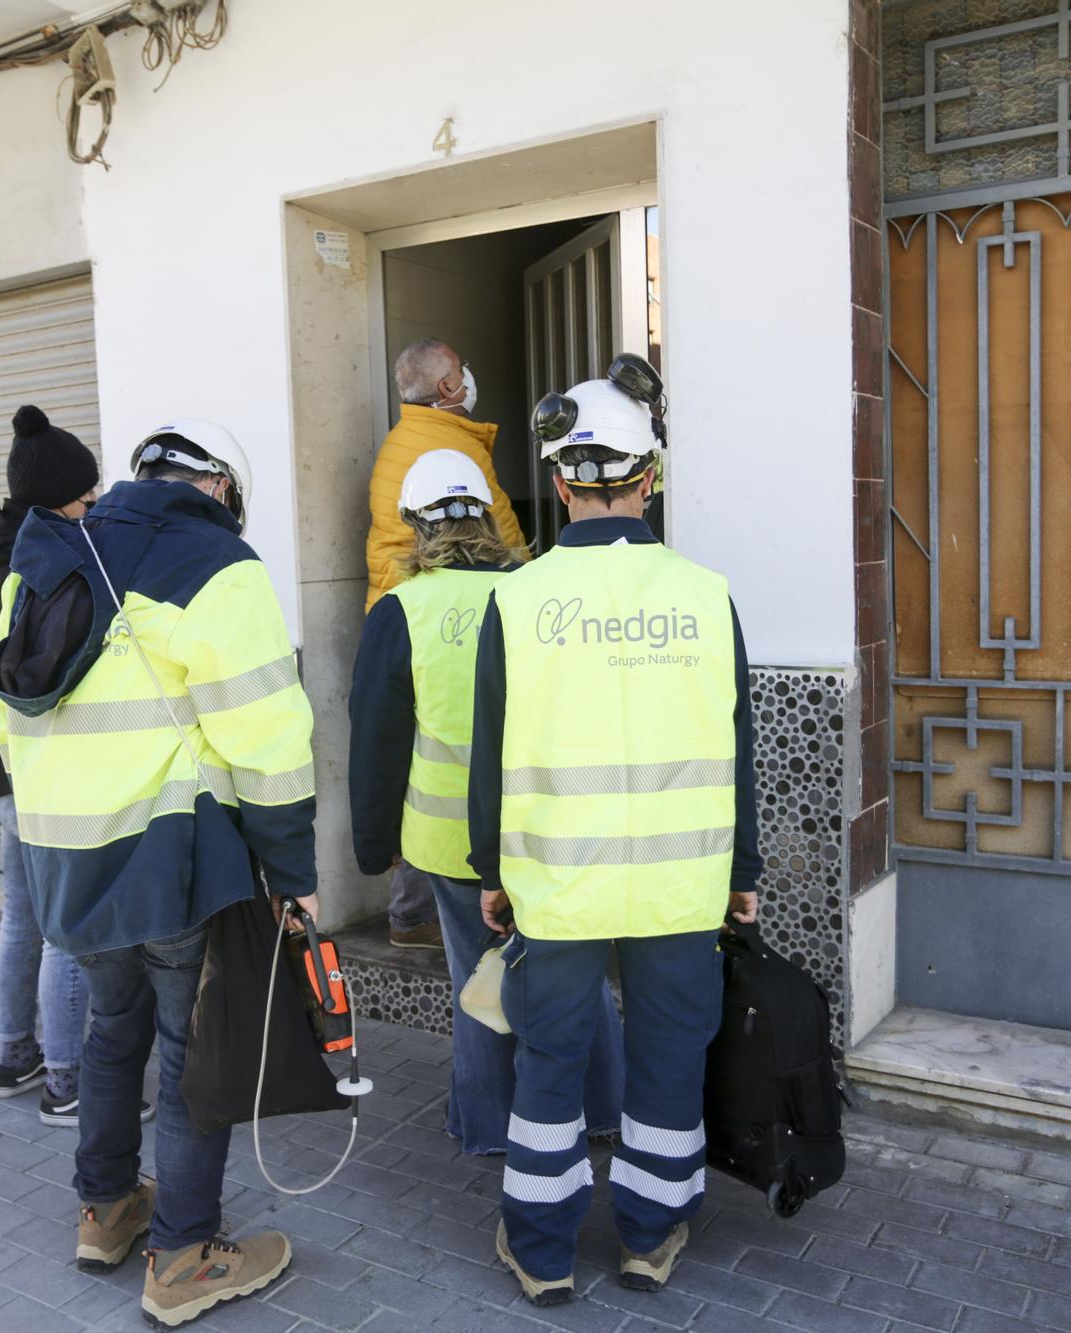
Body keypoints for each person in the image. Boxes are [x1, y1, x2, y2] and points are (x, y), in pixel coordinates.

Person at [0, 420, 312, 1326]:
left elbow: (17, 726)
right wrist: (293, 868)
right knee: (188, 1051)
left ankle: (105, 1209)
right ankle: (182, 1254)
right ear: (216, 489)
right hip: (163, 858)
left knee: (110, 1030)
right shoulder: (217, 566)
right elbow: (268, 735)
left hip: (66, 859)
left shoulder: (49, 554)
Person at [467, 357, 760, 1306]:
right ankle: (648, 1236)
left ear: (557, 482)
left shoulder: (514, 601)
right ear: (650, 476)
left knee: (551, 1062)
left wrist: (490, 871)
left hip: (557, 884)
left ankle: (542, 1252)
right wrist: (742, 870)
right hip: (683, 887)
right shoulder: (707, 595)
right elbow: (738, 742)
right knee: (670, 1061)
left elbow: (490, 755)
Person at [347, 449, 624, 1155]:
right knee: (576, 971)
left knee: (478, 979)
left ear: (415, 525)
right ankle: (604, 1107)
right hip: (550, 827)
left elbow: (376, 739)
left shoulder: (401, 610)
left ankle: (491, 1125)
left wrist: (373, 845)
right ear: (488, 519)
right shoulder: (541, 590)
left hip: (450, 842)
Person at [365, 338, 528, 952]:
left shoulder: (401, 442)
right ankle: (412, 914)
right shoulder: (453, 447)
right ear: (446, 390)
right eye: (461, 373)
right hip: (438, 613)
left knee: (423, 755)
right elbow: (504, 533)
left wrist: (372, 843)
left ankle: (410, 913)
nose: (468, 380)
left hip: (409, 612)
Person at [0, 404, 96, 1124]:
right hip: (34, 763)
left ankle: (18, 1054)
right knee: (64, 925)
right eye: (84, 496)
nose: (93, 505)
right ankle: (68, 1080)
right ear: (52, 500)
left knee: (23, 916)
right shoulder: (39, 565)